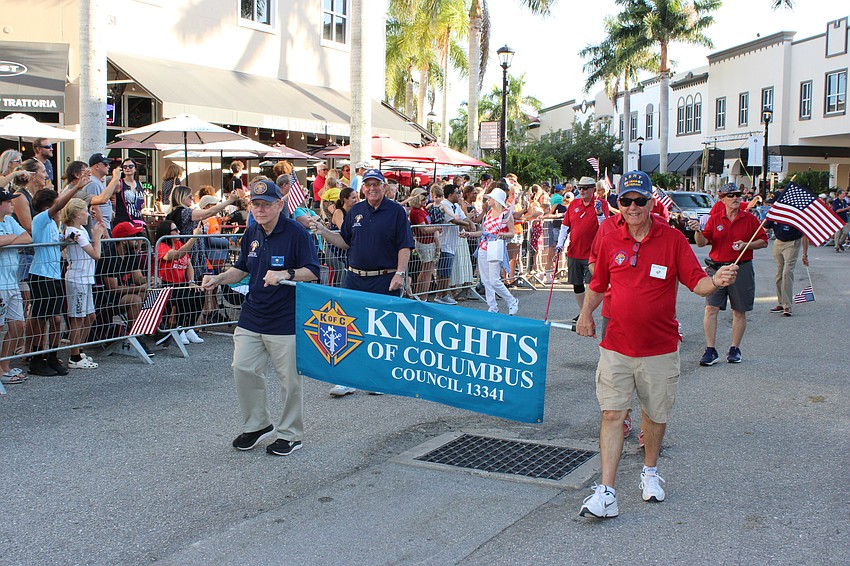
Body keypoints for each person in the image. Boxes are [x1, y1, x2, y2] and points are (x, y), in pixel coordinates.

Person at [576, 170, 739, 519]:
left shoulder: (672, 238)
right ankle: (606, 492)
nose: (633, 207)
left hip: (660, 348)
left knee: (655, 415)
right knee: (612, 414)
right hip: (616, 344)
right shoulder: (608, 234)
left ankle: (649, 472)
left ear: (652, 201)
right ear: (618, 203)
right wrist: (586, 315)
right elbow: (599, 282)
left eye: (640, 200)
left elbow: (696, 283)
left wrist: (716, 280)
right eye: (626, 201)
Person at [202, 179, 320, 456]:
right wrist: (219, 278)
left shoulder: (296, 233)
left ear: (280, 205)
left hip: (286, 318)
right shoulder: (252, 231)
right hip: (253, 314)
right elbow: (242, 268)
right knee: (242, 368)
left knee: (289, 380)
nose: (260, 209)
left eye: (266, 204)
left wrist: (286, 274)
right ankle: (257, 425)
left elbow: (313, 271)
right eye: (255, 204)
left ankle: (291, 434)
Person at [312, 169, 414, 397]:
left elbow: (404, 245)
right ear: (363, 188)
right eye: (367, 184)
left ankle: (379, 379)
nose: (371, 188)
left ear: (384, 186)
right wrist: (324, 231)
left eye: (376, 184)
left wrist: (400, 273)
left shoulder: (396, 211)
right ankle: (347, 379)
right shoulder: (355, 211)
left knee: (382, 331)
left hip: (384, 279)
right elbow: (345, 242)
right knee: (347, 329)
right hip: (354, 278)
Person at [689, 182, 768, 365]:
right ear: (722, 198)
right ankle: (710, 349)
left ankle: (735, 348)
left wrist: (746, 244)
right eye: (730, 195)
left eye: (737, 195)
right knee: (711, 308)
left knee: (739, 310)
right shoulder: (715, 218)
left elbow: (763, 241)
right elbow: (702, 243)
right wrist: (697, 231)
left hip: (741, 267)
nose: (735, 198)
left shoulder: (749, 219)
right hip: (717, 268)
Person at [25, 183, 82, 376]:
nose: (61, 209)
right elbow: (57, 207)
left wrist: (66, 241)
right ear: (48, 205)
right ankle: (36, 357)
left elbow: (55, 246)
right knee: (42, 318)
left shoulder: (52, 224)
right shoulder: (41, 218)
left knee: (56, 318)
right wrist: (75, 188)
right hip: (41, 274)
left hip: (54, 274)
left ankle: (52, 354)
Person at [555, 176, 610, 321]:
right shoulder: (573, 204)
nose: (582, 191)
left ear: (593, 189)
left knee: (591, 284)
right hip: (574, 250)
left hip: (592, 253)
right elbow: (565, 226)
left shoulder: (601, 204)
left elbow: (605, 227)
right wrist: (560, 243)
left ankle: (586, 312)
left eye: (586, 188)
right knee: (577, 284)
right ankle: (583, 312)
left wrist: (599, 213)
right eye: (580, 188)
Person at [61, 199, 106, 369]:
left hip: (86, 278)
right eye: (86, 211)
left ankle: (78, 348)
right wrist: (97, 238)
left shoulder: (81, 230)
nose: (88, 214)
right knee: (77, 318)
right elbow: (95, 254)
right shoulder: (74, 231)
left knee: (90, 316)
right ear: (77, 213)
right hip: (77, 278)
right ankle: (74, 355)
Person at [462, 186, 519, 315]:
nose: (489, 200)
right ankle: (492, 306)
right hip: (483, 246)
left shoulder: (506, 214)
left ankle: (511, 300)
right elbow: (484, 232)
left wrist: (502, 235)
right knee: (486, 280)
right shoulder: (488, 213)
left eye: (491, 198)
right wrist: (470, 234)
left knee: (494, 280)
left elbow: (512, 233)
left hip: (495, 247)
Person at [155, 219, 206, 345]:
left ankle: (188, 327)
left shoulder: (179, 243)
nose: (179, 232)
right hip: (166, 284)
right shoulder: (161, 246)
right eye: (175, 230)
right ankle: (178, 328)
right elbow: (176, 255)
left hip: (181, 283)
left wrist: (192, 281)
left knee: (199, 293)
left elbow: (189, 265)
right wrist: (194, 237)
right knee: (183, 297)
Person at [0, 190, 32, 384]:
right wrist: (10, 239)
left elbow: (27, 237)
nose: (12, 205)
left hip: (12, 281)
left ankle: (4, 364)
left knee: (18, 324)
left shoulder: (9, 221)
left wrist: (8, 238)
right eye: (8, 202)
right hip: (1, 283)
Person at [764, 214, 809, 316]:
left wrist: (805, 254)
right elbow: (765, 229)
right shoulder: (775, 214)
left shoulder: (796, 216)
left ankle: (787, 305)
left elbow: (805, 235)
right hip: (778, 242)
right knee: (778, 274)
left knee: (787, 273)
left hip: (792, 243)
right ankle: (781, 302)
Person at [409, 188, 439, 298]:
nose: (425, 200)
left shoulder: (422, 209)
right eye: (423, 198)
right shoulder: (416, 212)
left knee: (427, 270)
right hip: (424, 242)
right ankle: (422, 296)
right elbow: (424, 229)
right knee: (426, 270)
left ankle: (422, 295)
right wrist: (437, 228)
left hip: (429, 242)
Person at [83, 153, 122, 231]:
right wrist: (102, 226)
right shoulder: (93, 183)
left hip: (105, 224)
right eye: (105, 164)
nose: (108, 166)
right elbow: (95, 206)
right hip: (100, 227)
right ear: (97, 166)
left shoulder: (97, 182)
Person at [112, 158, 145, 225]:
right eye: (125, 167)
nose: (127, 168)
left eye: (130, 166)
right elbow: (108, 196)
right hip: (123, 220)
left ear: (135, 169)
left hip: (137, 219)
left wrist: (143, 205)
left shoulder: (139, 184)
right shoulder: (119, 183)